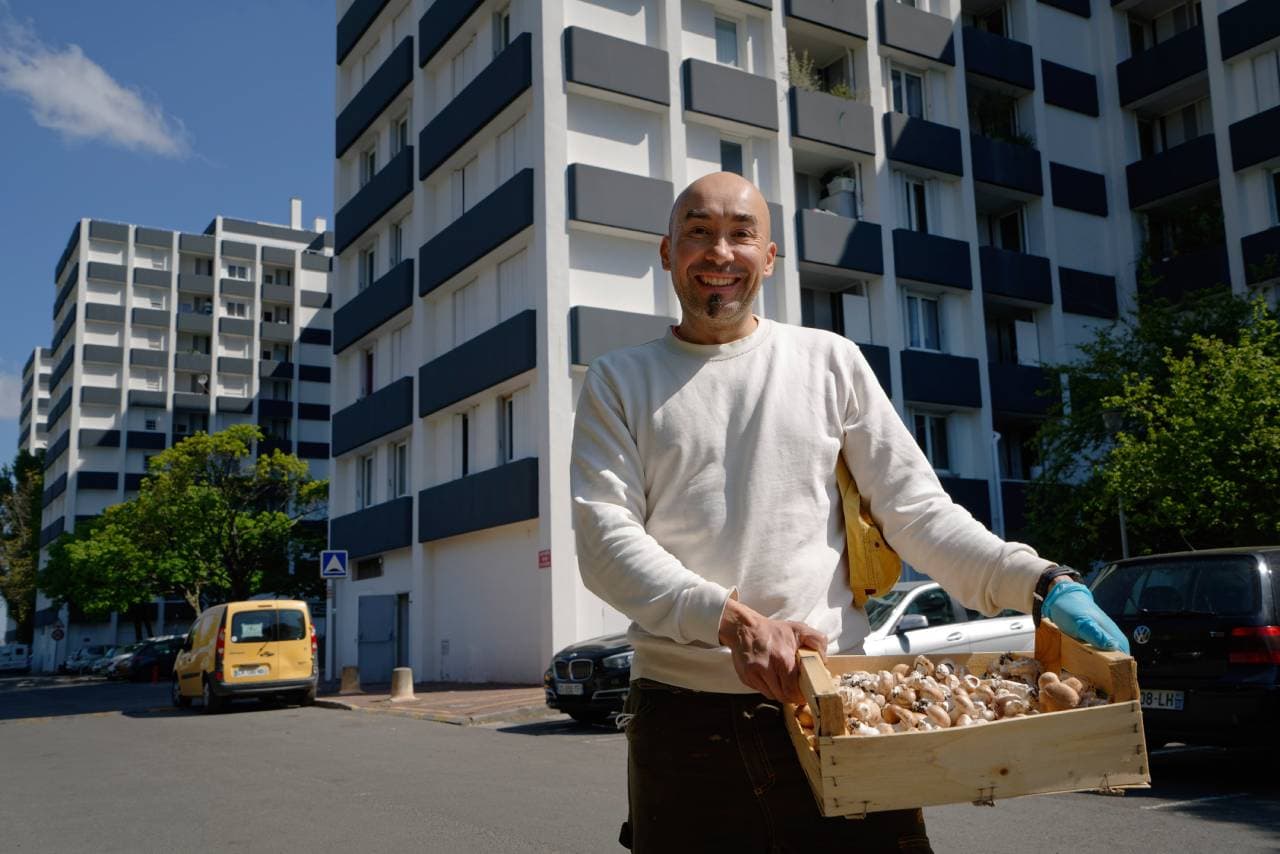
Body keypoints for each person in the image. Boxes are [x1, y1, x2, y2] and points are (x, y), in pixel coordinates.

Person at [570, 172, 1128, 853]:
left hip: (840, 705)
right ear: (666, 253)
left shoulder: (829, 362)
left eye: (741, 234)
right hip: (684, 723)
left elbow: (919, 513)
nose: (719, 253)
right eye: (698, 233)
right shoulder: (618, 380)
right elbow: (603, 537)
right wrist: (729, 620)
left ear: (769, 258)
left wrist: (1041, 582)